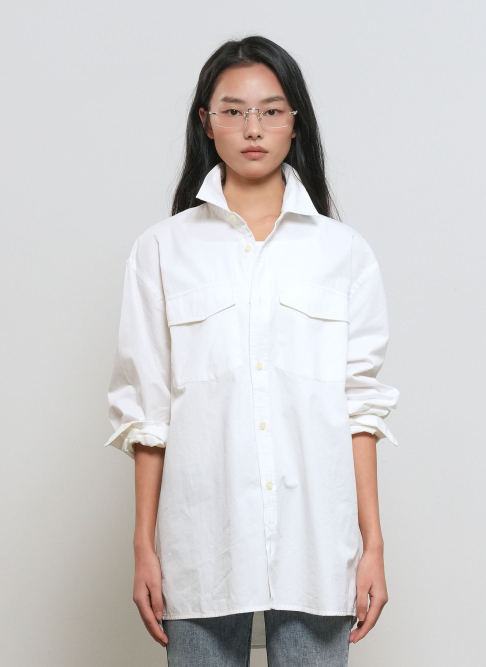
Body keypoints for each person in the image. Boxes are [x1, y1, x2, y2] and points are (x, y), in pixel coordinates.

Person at [103, 35, 400, 667]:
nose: (253, 127)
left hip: (317, 543)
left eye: (270, 110)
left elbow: (360, 411)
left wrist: (372, 544)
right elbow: (149, 413)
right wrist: (144, 546)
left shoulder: (344, 253)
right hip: (201, 543)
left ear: (296, 121)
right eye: (234, 111)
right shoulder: (162, 250)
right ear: (206, 123)